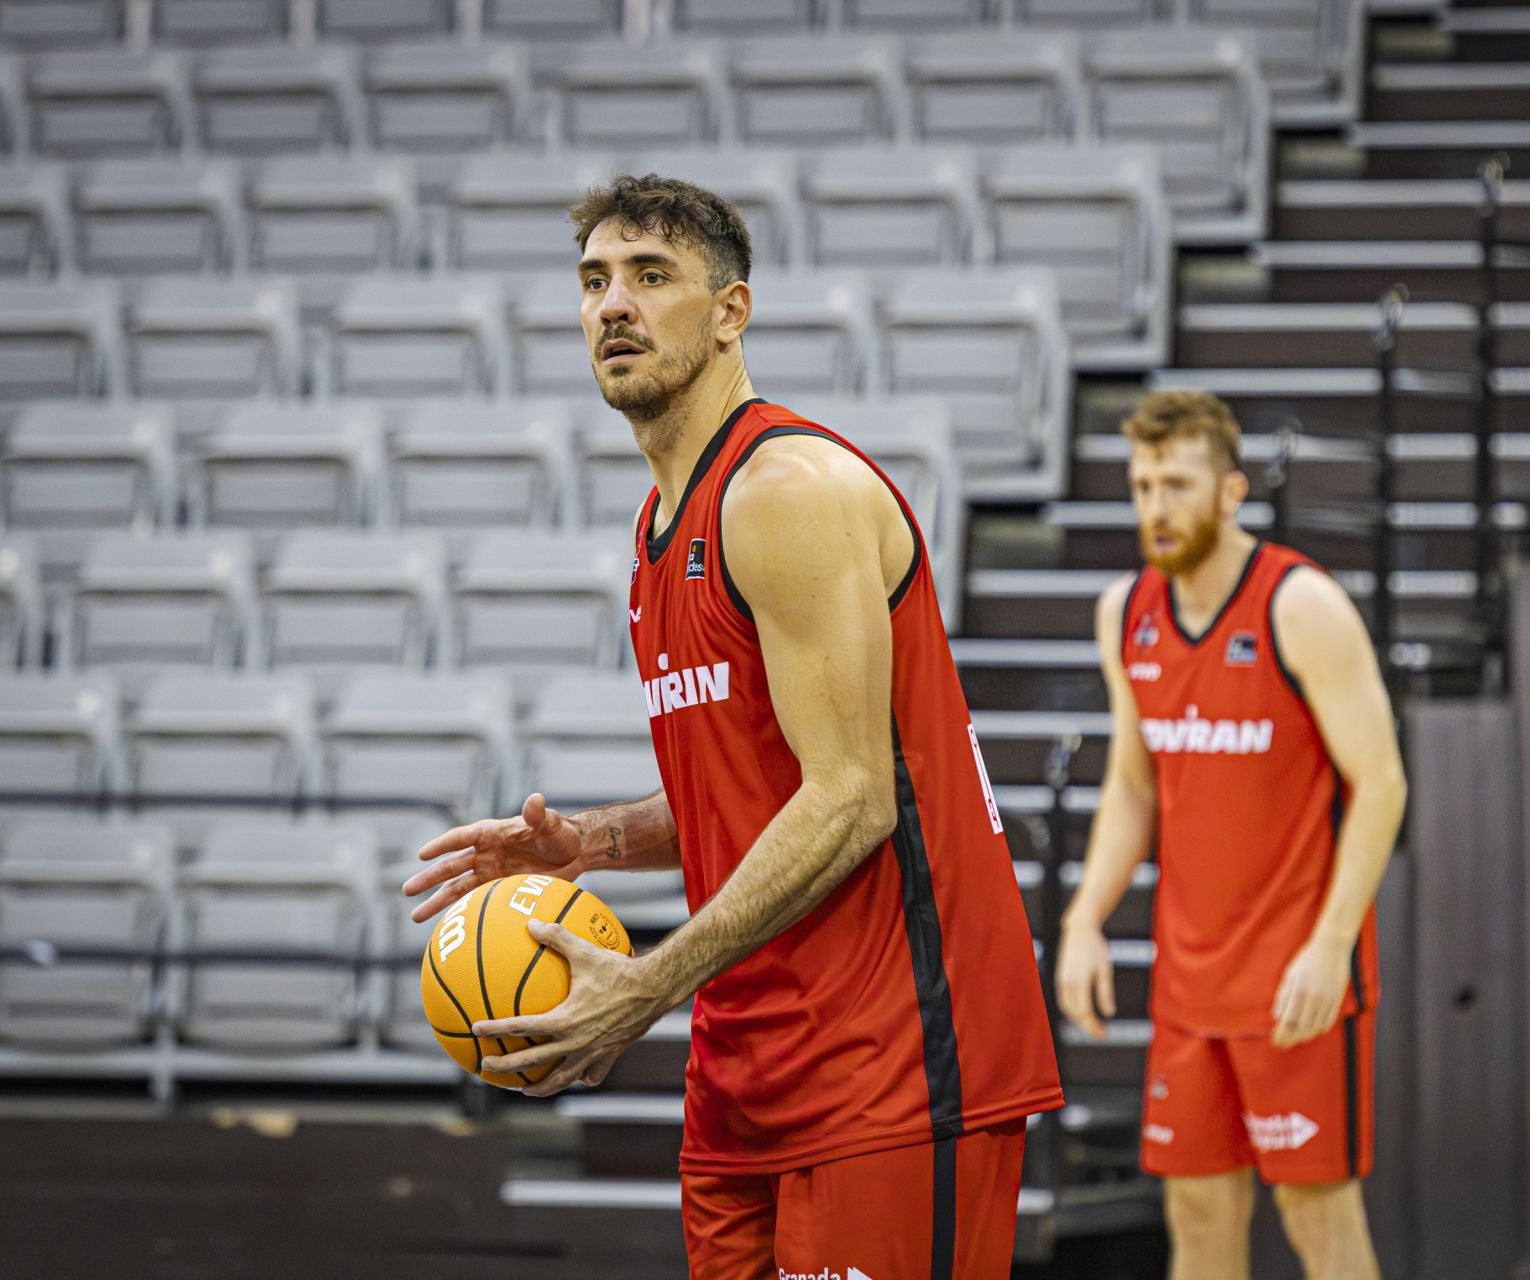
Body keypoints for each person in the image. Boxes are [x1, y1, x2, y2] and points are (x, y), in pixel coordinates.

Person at [403, 175, 1062, 1279]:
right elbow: (750, 784)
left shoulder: (786, 491)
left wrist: (650, 982)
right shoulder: (659, 526)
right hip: (747, 1073)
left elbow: (850, 793)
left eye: (651, 277)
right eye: (595, 280)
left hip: (891, 1056)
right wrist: (592, 842)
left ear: (730, 311)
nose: (615, 304)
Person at [1054, 391, 1406, 1280]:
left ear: (1229, 492)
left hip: (1297, 980)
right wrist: (1085, 920)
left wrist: (1331, 949)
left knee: (1318, 1220)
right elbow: (1135, 783)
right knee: (1198, 1218)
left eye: (1175, 484)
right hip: (1188, 982)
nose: (1155, 508)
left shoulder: (1301, 605)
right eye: (1140, 486)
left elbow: (1382, 784)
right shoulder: (1123, 612)